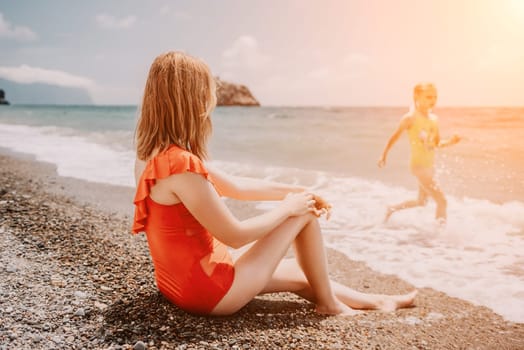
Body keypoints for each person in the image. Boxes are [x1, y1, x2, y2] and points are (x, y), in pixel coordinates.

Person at [132, 51, 417, 316]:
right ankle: (329, 304)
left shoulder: (151, 155)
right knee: (304, 213)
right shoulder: (182, 166)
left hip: (176, 283)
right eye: (207, 93)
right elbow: (235, 235)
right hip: (209, 293)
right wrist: (290, 207)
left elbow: (238, 186)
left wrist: (297, 191)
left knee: (300, 272)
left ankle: (378, 301)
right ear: (192, 100)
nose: (211, 101)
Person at [377, 82, 460, 223]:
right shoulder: (410, 118)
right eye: (428, 97)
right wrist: (383, 155)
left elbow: (436, 144)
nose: (432, 101)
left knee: (421, 202)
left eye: (435, 97)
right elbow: (394, 137)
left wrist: (451, 142)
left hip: (429, 167)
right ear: (417, 96)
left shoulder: (434, 120)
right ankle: (440, 237)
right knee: (442, 201)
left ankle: (392, 209)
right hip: (418, 167)